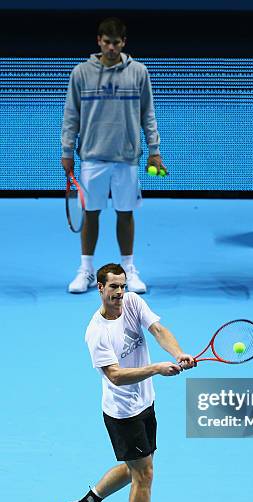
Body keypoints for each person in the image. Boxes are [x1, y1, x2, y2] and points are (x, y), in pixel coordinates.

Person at [59, 262, 195, 502]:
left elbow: (158, 330)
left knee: (136, 466)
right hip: (123, 413)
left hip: (145, 403)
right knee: (144, 474)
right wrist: (157, 368)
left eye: (123, 286)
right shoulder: (97, 332)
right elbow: (117, 376)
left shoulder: (133, 302)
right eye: (113, 287)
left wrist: (177, 353)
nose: (120, 293)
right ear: (100, 288)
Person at [61, 17, 166, 294]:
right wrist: (67, 151)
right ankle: (86, 270)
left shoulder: (139, 72)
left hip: (126, 157)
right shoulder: (81, 73)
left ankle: (128, 270)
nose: (110, 47)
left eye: (115, 43)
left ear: (123, 43)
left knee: (125, 213)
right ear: (99, 42)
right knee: (91, 213)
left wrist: (154, 151)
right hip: (92, 157)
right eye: (106, 42)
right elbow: (71, 116)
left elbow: (148, 115)